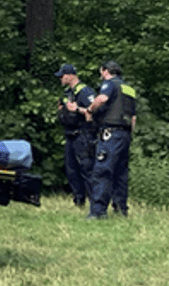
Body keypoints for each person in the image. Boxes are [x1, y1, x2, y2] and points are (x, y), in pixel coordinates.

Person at [85, 60, 138, 219]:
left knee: (103, 170)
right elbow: (133, 117)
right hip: (125, 134)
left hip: (111, 133)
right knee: (121, 172)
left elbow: (101, 99)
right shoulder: (129, 89)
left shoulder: (110, 84)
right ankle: (121, 209)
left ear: (105, 71)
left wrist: (89, 109)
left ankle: (98, 212)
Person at [55, 63, 97, 209]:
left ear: (70, 76)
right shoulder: (68, 93)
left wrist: (77, 109)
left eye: (62, 75)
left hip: (82, 135)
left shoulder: (85, 92)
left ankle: (95, 203)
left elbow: (94, 111)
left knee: (86, 169)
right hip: (70, 135)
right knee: (71, 170)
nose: (60, 78)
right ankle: (78, 201)